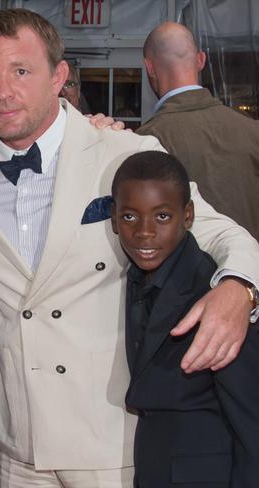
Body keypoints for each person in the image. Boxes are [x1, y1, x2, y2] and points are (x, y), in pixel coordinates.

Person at [0, 8, 259, 487]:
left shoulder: (123, 151)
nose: (2, 91)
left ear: (59, 76)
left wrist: (239, 287)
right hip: (19, 438)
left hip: (109, 432)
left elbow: (222, 232)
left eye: (21, 71)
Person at [111, 150, 259, 488]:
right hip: (152, 467)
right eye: (130, 217)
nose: (145, 232)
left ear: (188, 215)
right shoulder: (133, 277)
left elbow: (253, 422)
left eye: (162, 216)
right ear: (114, 219)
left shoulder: (217, 297)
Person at [137, 22, 259, 241]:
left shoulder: (146, 139)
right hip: (250, 269)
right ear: (201, 60)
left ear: (150, 68)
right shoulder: (252, 130)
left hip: (184, 273)